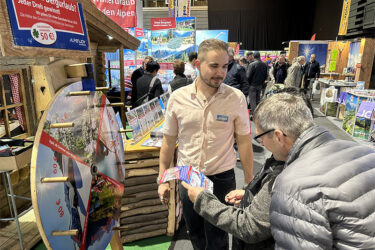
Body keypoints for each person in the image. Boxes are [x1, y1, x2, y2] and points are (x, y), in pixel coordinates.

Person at [158, 38, 254, 250]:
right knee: (195, 233)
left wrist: (249, 183)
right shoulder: (178, 98)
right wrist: (163, 179)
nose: (221, 73)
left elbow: (245, 141)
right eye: (214, 66)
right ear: (197, 64)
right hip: (187, 175)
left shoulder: (235, 98)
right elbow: (168, 141)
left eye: (225, 66)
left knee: (218, 237)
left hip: (221, 177)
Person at [253, 92, 375, 249]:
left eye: (260, 137)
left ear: (278, 136)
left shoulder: (293, 185)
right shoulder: (366, 152)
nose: (261, 143)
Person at [246, 51, 268, 117]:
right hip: (260, 85)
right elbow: (266, 75)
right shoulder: (264, 64)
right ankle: (258, 113)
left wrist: (247, 84)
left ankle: (254, 115)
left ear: (253, 56)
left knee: (252, 101)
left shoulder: (252, 64)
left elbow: (248, 76)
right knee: (258, 100)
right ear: (259, 56)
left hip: (252, 85)